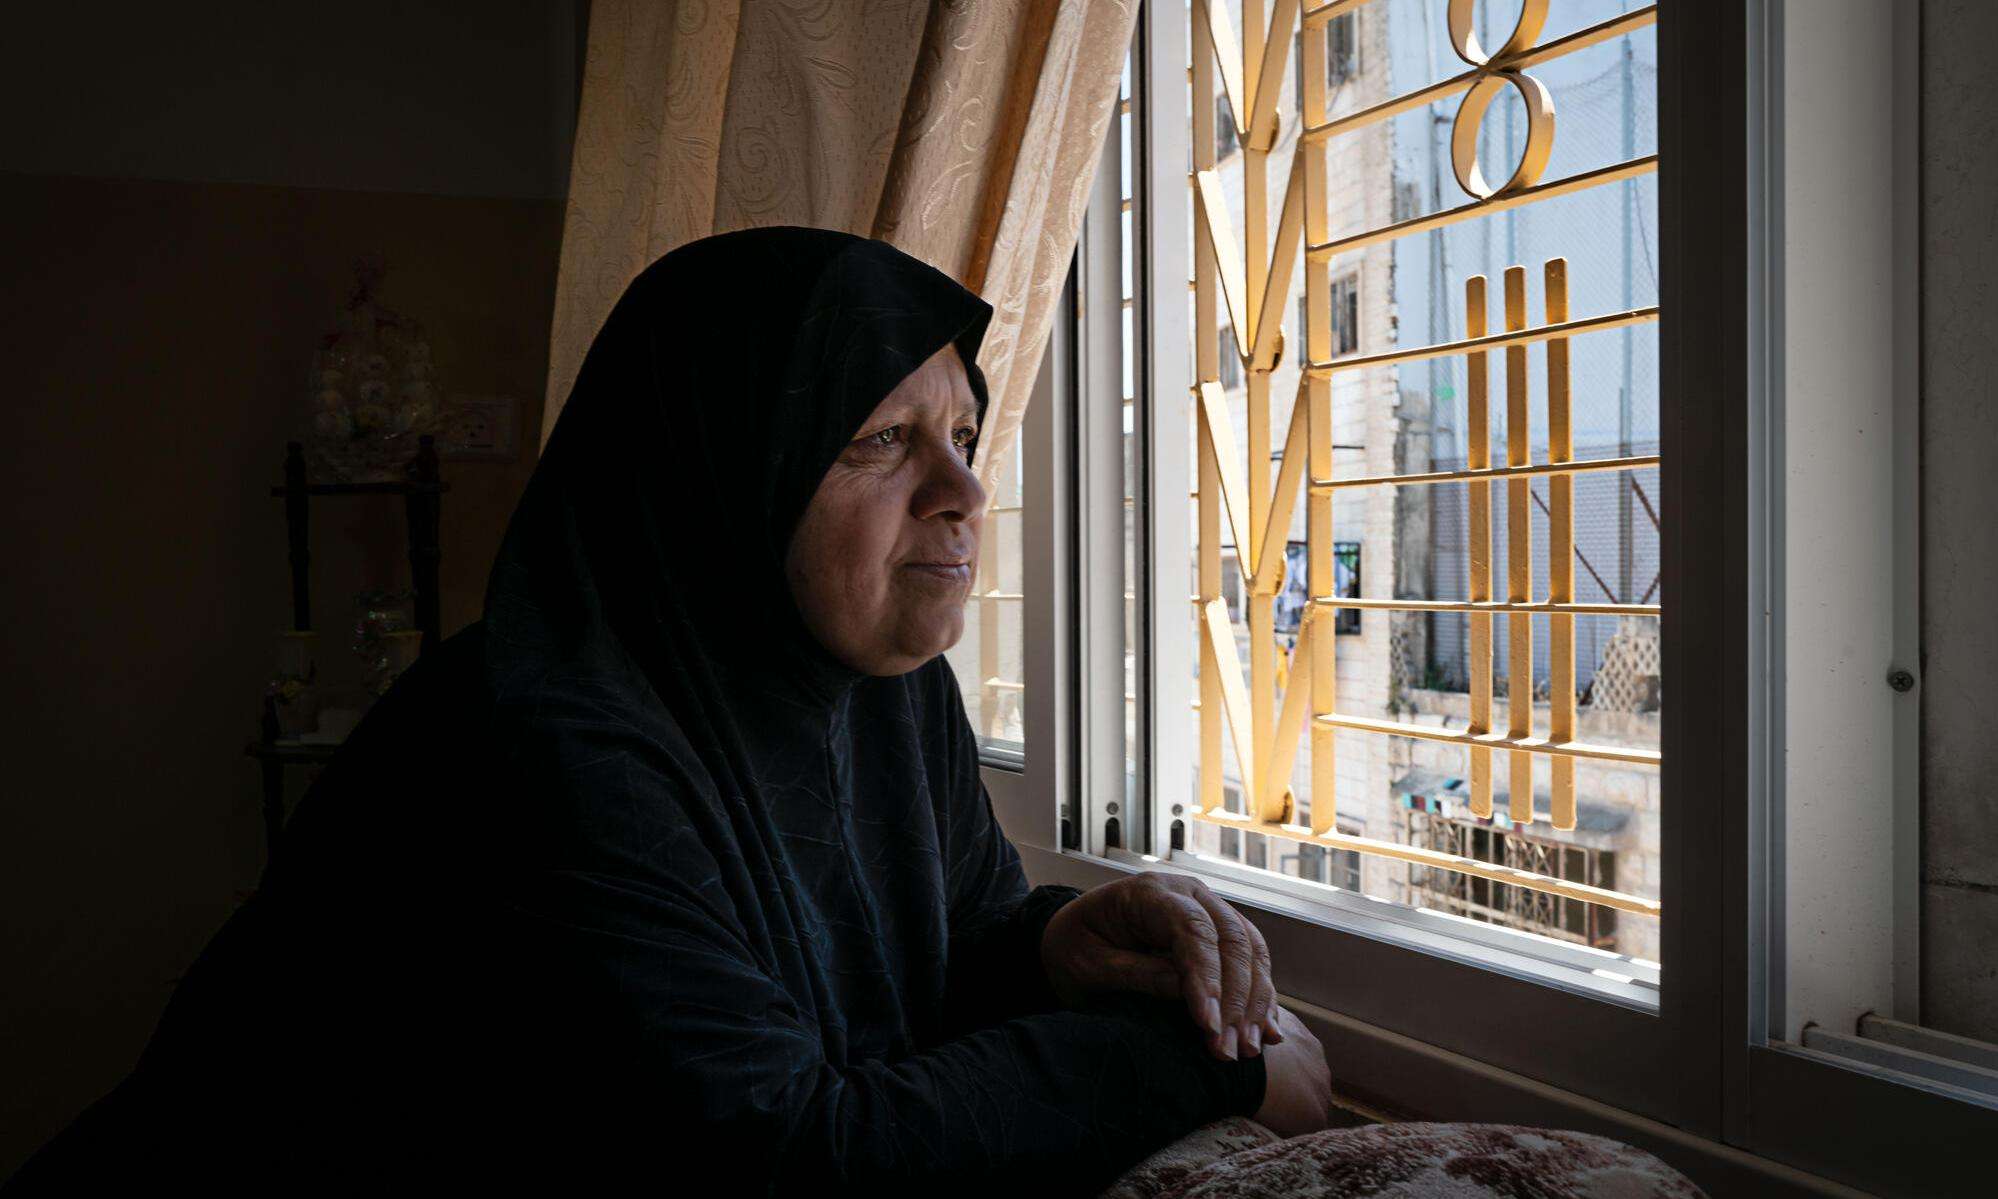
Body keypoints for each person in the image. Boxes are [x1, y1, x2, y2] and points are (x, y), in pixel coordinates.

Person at [5, 227, 1332, 1195]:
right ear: (719, 479)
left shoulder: (881, 686)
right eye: (881, 442)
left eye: (965, 440)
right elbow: (777, 1151)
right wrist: (1198, 1065)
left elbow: (926, 950)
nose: (965, 496)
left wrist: (1062, 941)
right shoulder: (533, 743)